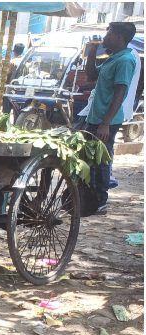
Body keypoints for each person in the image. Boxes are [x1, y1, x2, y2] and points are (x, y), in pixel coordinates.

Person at [78, 22, 139, 213]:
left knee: (103, 159)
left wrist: (106, 123)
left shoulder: (125, 60)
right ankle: (88, 198)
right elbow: (91, 75)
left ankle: (100, 200)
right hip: (95, 116)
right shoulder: (114, 57)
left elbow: (120, 92)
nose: (106, 35)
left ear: (119, 36)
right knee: (90, 158)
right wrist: (91, 52)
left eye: (109, 32)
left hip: (107, 120)